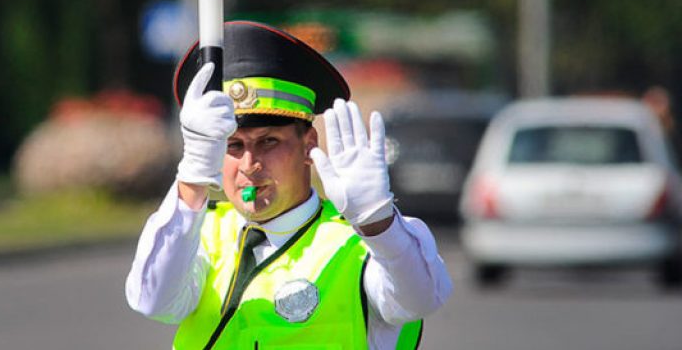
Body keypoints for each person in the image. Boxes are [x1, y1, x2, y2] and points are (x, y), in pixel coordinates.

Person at [125, 21, 452, 349]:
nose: (249, 164)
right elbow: (153, 300)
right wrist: (192, 179)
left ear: (309, 144)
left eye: (268, 142)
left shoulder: (359, 243)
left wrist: (378, 223)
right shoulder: (200, 232)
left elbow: (420, 299)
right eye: (233, 146)